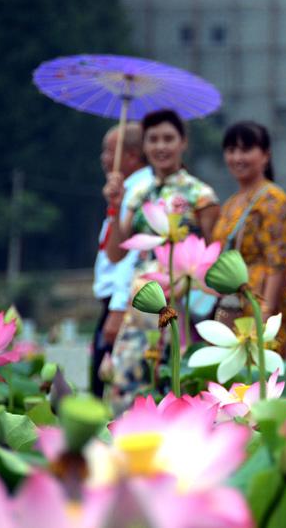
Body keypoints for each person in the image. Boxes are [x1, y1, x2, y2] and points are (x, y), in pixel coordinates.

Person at [102, 109, 220, 408]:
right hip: (140, 307)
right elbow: (116, 254)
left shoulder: (200, 194)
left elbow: (214, 253)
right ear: (144, 147)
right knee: (128, 393)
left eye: (169, 138)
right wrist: (115, 206)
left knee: (177, 385)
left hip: (183, 304)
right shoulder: (137, 193)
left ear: (183, 143)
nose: (160, 146)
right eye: (153, 139)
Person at [212, 121, 286, 360]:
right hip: (232, 301)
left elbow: (278, 261)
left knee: (265, 374)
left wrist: (267, 311)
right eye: (231, 150)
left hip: (260, 298)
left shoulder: (273, 199)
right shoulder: (231, 202)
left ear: (265, 155)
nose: (237, 157)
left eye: (245, 149)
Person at [91, 122, 151, 397]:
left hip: (123, 304)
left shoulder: (140, 190)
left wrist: (117, 312)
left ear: (132, 155)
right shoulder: (126, 189)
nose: (104, 158)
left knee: (108, 388)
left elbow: (130, 258)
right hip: (116, 302)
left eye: (109, 150)